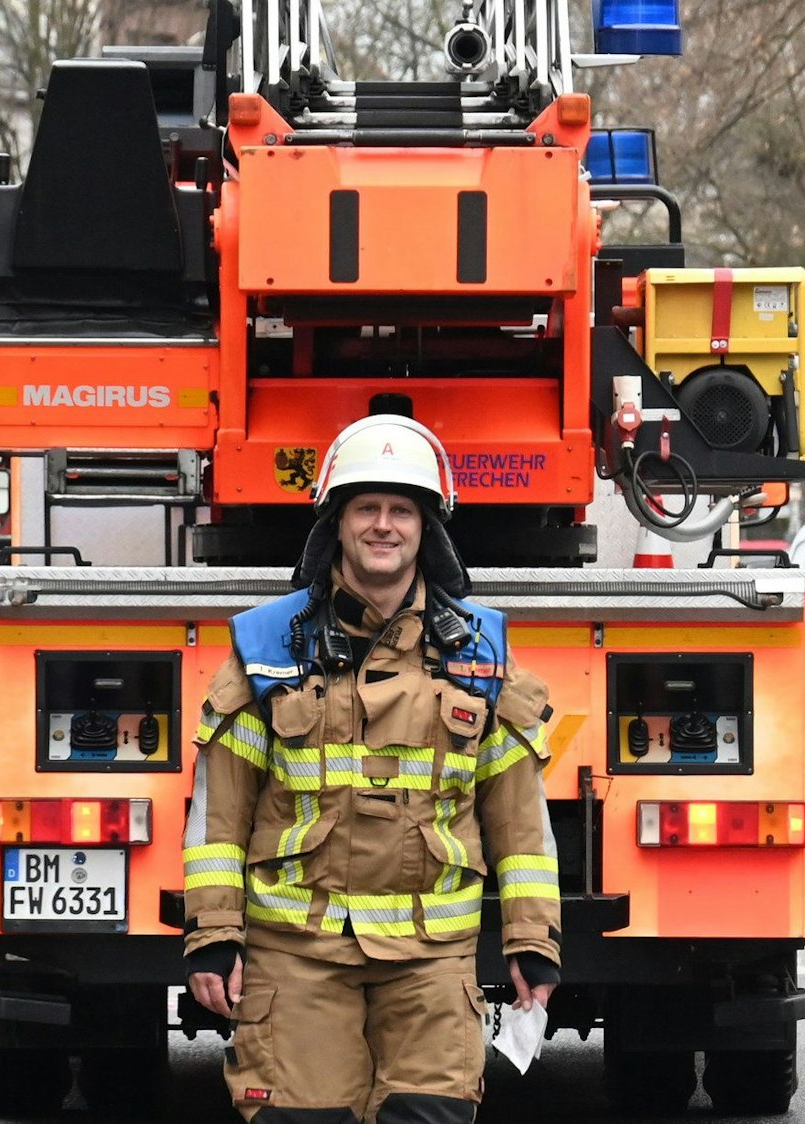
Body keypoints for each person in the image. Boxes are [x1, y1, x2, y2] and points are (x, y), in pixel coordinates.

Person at [182, 416, 561, 1124]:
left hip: (431, 960)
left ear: (426, 529)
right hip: (296, 956)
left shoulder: (479, 657)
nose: (382, 525)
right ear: (336, 522)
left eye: (400, 510)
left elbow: (520, 825)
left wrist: (531, 943)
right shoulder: (267, 648)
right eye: (366, 508)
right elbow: (217, 815)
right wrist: (212, 935)